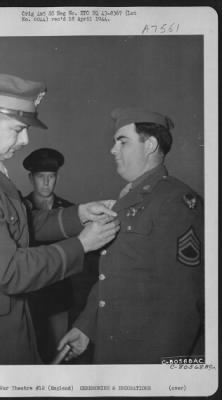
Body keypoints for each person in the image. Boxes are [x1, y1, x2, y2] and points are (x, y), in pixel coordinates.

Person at [0, 73, 119, 365]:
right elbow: (10, 270)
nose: (25, 140)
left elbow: (18, 225)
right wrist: (81, 245)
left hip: (1, 321)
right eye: (18, 129)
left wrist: (79, 213)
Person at [58, 107, 204, 364]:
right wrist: (86, 327)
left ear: (150, 145)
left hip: (146, 357)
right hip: (113, 347)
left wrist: (159, 378)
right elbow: (114, 275)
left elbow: (182, 304)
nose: (113, 150)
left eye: (122, 142)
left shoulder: (176, 202)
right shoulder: (131, 198)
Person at [23, 148, 74, 363]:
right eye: (40, 177)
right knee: (29, 353)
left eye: (51, 177)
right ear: (30, 178)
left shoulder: (71, 211)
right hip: (29, 294)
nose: (46, 183)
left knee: (59, 352)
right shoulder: (20, 210)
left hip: (58, 294)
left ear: (57, 178)